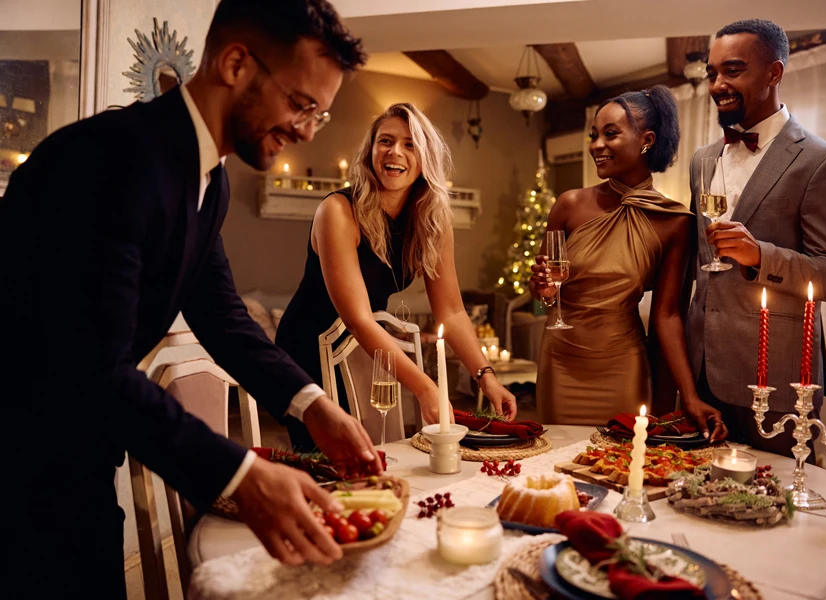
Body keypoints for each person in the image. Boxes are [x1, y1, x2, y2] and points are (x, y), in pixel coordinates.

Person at [0, 1, 383, 597]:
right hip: (17, 470)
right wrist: (241, 474)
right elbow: (92, 368)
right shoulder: (110, 160)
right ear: (235, 63)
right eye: (302, 104)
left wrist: (311, 405)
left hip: (80, 462)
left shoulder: (212, 178)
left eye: (321, 115)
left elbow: (223, 316)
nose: (308, 130)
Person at [276, 102, 517, 450]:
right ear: (371, 151)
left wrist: (487, 377)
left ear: (425, 158)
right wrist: (424, 386)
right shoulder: (338, 211)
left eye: (410, 144)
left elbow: (451, 311)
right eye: (385, 141)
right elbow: (358, 319)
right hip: (310, 352)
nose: (395, 152)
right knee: (333, 462)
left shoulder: (432, 221)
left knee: (376, 458)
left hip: (364, 350)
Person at [686, 19, 826, 458]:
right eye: (712, 73)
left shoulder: (823, 162)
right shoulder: (702, 160)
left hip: (777, 382)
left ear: (774, 73)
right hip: (701, 376)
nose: (718, 84)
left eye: (734, 70)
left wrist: (759, 254)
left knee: (775, 512)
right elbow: (696, 258)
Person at [529, 85, 726, 441]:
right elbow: (546, 295)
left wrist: (690, 397)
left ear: (646, 140)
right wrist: (543, 290)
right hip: (561, 362)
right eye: (593, 135)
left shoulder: (674, 222)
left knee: (623, 470)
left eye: (610, 134)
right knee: (559, 467)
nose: (596, 146)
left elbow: (667, 315)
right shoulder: (569, 205)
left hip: (623, 365)